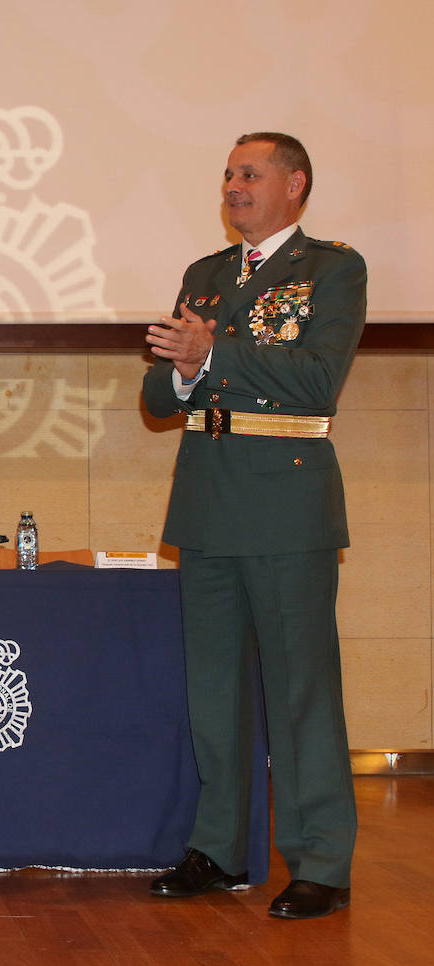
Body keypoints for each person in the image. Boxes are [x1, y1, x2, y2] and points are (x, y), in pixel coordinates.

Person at [143, 132, 365, 920]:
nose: (233, 185)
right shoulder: (206, 274)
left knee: (301, 689)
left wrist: (215, 353)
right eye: (229, 174)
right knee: (215, 689)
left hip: (285, 501)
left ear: (295, 183)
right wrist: (181, 369)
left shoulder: (333, 269)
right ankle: (219, 845)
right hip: (207, 503)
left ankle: (320, 858)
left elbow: (316, 378)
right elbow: (162, 399)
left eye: (250, 173)